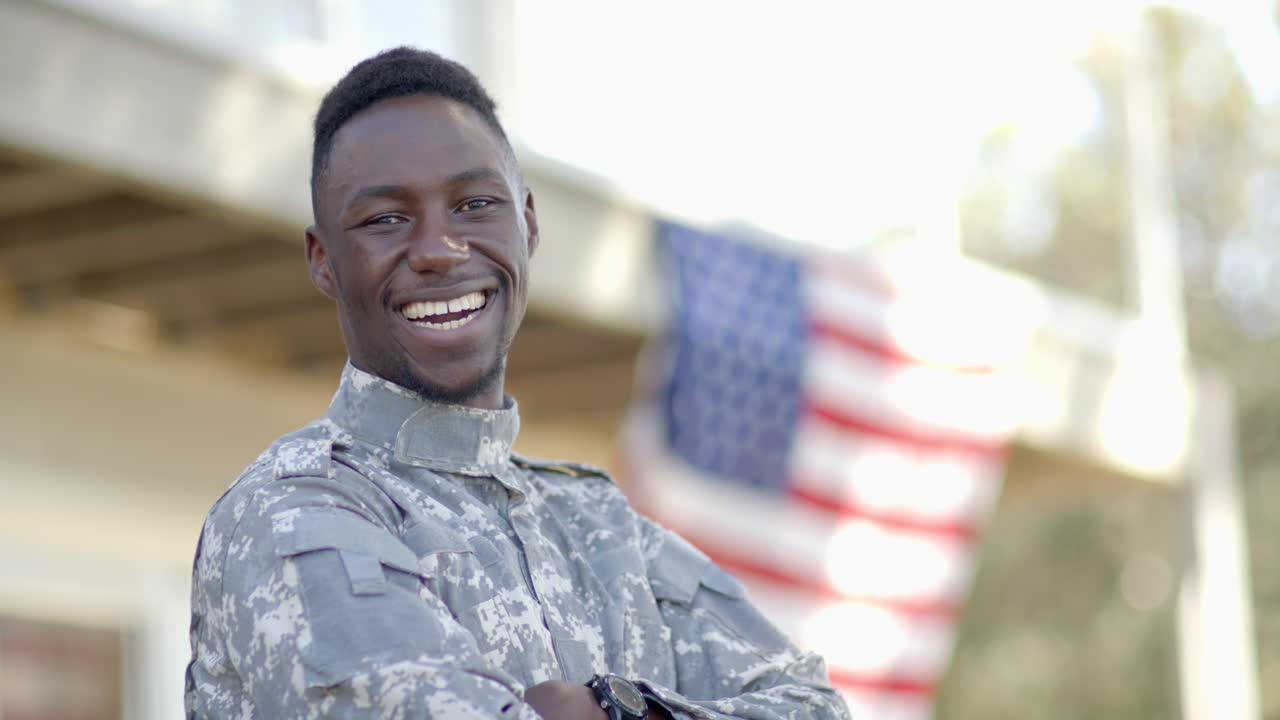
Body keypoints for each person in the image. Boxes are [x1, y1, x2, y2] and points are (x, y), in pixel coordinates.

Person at [185, 46, 849, 720]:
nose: (440, 249)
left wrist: (617, 711)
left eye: (475, 204)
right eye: (387, 219)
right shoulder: (290, 512)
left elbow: (818, 709)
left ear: (527, 224)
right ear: (324, 259)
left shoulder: (599, 526)